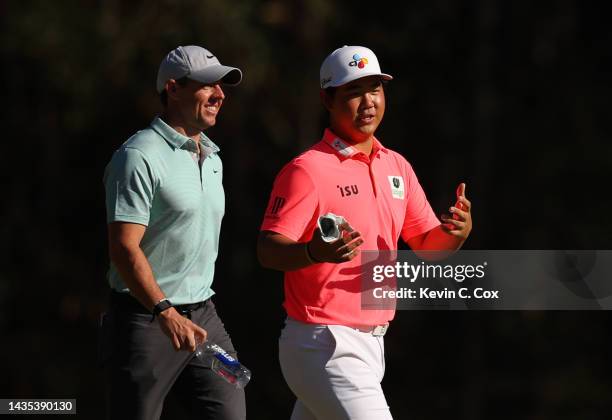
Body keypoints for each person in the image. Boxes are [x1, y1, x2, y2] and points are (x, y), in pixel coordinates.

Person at [257, 45, 472, 420]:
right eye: (353, 92)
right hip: (322, 342)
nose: (368, 101)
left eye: (374, 88)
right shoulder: (307, 170)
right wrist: (313, 252)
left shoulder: (396, 166)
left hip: (372, 343)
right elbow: (268, 249)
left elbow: (427, 246)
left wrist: (457, 233)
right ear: (327, 99)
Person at [100, 45, 246, 420]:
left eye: (222, 86)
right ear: (173, 89)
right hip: (145, 319)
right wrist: (164, 311)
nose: (220, 94)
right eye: (208, 85)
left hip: (204, 318)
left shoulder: (212, 157)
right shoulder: (138, 156)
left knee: (230, 412)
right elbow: (123, 248)